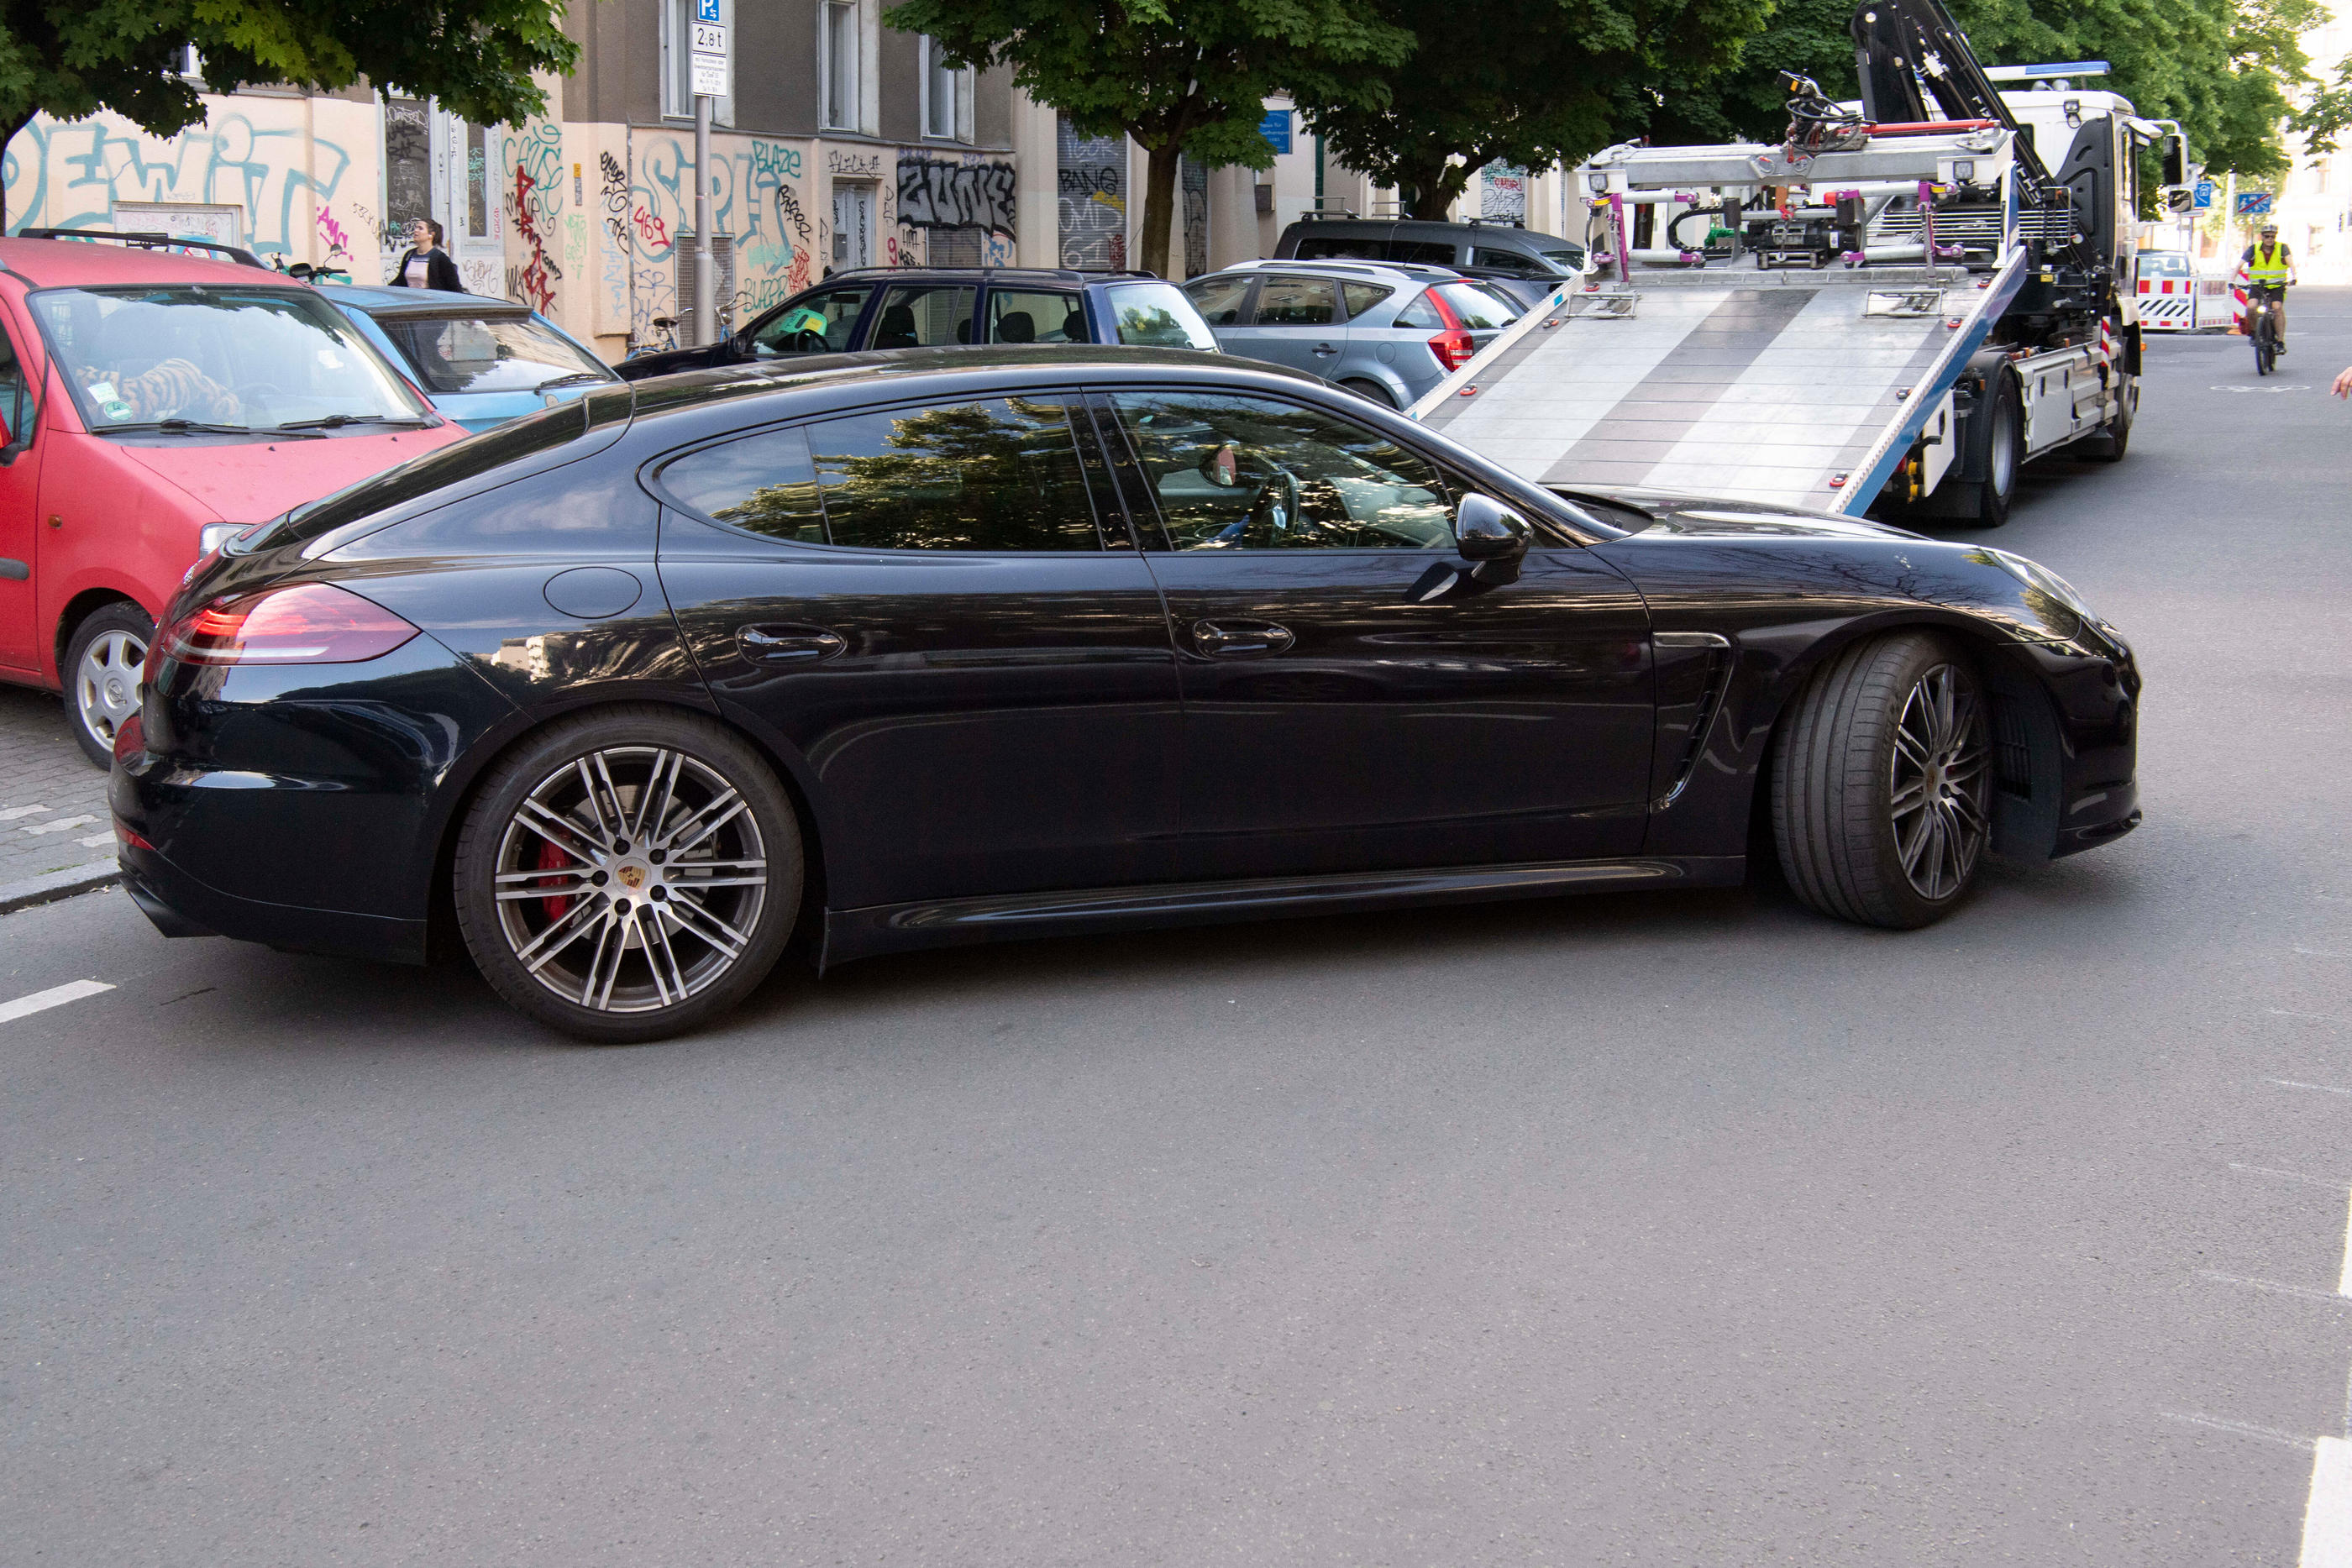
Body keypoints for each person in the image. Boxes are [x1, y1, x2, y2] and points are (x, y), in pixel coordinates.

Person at [2242, 222, 2294, 354]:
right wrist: (2231, 280)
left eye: (2272, 236)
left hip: (2277, 286)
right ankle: (2255, 333)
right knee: (2251, 307)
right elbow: (2240, 264)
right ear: (2262, 237)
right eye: (2267, 236)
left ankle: (2280, 342)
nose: (2270, 239)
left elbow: (2290, 262)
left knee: (2277, 308)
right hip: (2258, 286)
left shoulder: (2282, 248)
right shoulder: (2253, 249)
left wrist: (2294, 276)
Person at [388, 218, 463, 292]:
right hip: (412, 301)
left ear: (431, 235)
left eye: (420, 228)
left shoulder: (440, 258)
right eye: (416, 228)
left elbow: (454, 287)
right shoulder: (409, 255)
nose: (416, 231)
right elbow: (400, 280)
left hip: (431, 302)